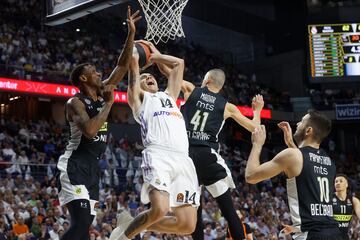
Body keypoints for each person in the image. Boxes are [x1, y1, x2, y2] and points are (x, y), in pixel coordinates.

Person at [136, 40, 264, 240]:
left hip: (185, 156)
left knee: (194, 211)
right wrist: (257, 111)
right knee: (229, 212)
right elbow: (254, 128)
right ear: (220, 87)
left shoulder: (191, 90)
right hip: (207, 156)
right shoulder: (227, 106)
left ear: (206, 81)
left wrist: (153, 51)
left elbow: (167, 70)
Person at [56, 7, 141, 240]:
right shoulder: (75, 102)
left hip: (92, 168)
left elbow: (122, 67)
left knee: (85, 228)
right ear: (83, 79)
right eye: (93, 71)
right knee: (81, 224)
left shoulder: (102, 91)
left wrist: (130, 34)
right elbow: (91, 131)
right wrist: (109, 105)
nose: (98, 72)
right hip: (74, 165)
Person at [109, 47, 199, 240]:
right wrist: (136, 56)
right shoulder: (140, 99)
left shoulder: (170, 97)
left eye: (151, 76)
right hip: (159, 155)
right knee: (160, 209)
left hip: (184, 159)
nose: (149, 77)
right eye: (144, 77)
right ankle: (123, 237)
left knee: (187, 225)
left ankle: (133, 224)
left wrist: (154, 56)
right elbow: (133, 66)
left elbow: (178, 64)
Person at [245, 110, 343, 239]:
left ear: (308, 131)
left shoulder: (292, 155)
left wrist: (257, 144)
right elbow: (306, 167)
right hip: (334, 233)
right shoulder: (329, 161)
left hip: (311, 235)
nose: (297, 124)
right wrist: (291, 144)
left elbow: (250, 176)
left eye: (301, 122)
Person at [333, 174, 360, 239]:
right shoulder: (328, 198)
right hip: (331, 235)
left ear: (347, 184)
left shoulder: (354, 200)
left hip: (346, 236)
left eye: (341, 181)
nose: (338, 183)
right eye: (336, 182)